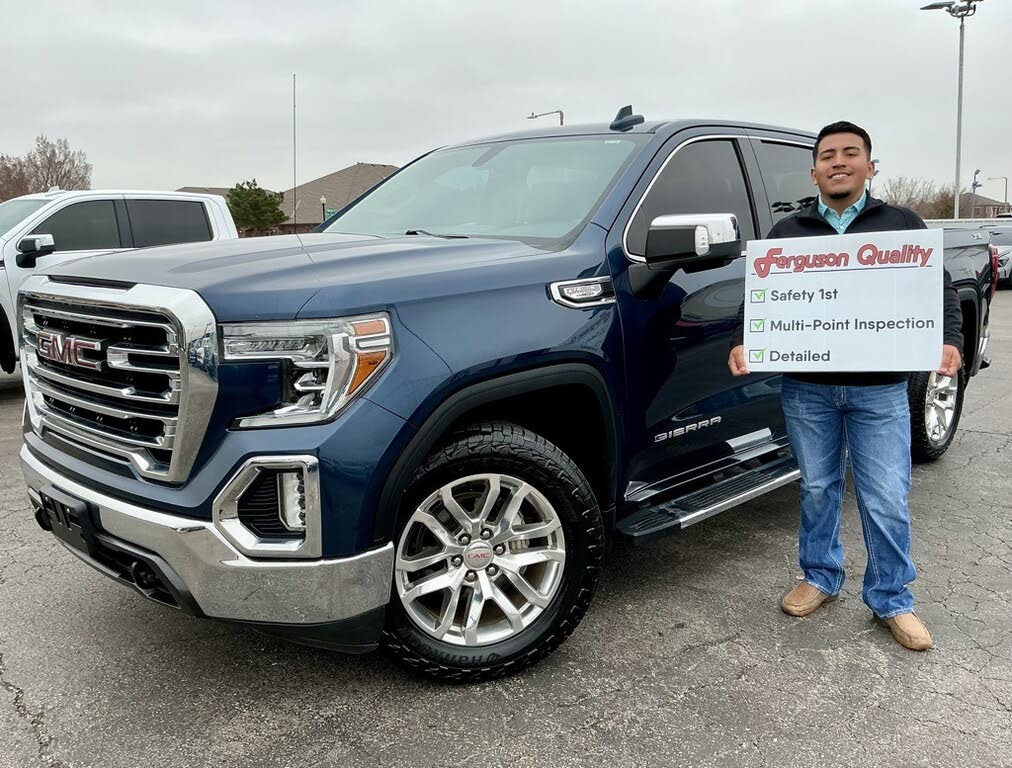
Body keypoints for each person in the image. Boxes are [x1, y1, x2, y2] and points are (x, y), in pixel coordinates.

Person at [728, 121, 963, 651]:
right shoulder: (787, 234)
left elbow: (938, 288)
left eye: (850, 153)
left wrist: (949, 340)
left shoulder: (901, 223)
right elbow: (760, 298)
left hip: (879, 391)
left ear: (869, 166)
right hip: (807, 389)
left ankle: (892, 599)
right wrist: (747, 340)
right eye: (828, 155)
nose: (838, 162)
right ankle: (819, 576)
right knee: (817, 488)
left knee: (885, 495)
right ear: (813, 171)